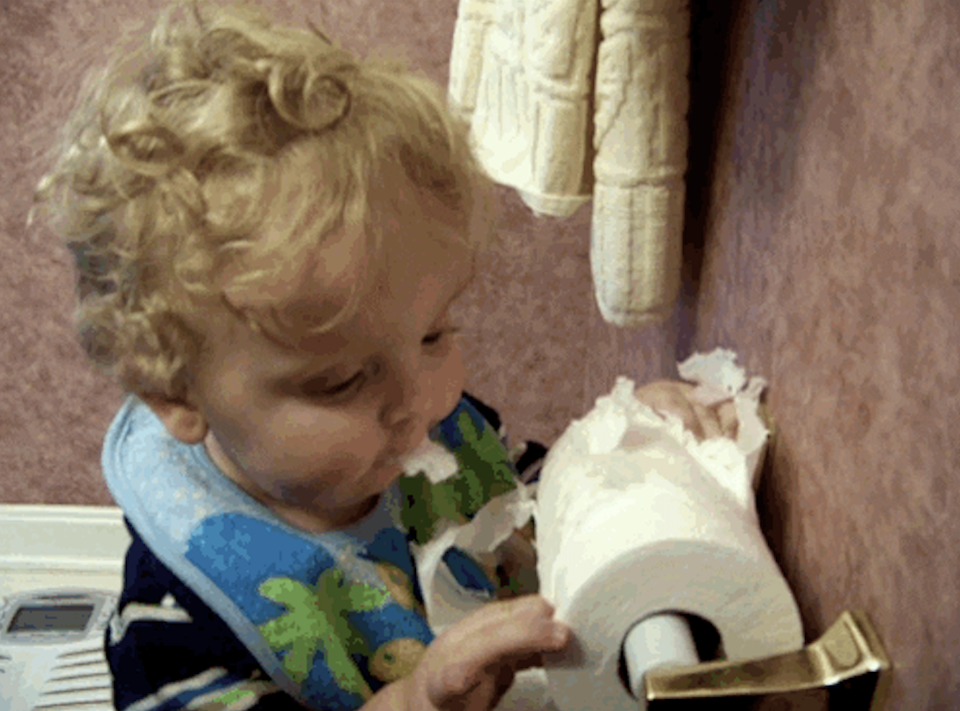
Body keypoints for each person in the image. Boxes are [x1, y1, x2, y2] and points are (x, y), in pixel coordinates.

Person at [30, 2, 736, 709]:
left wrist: (622, 442)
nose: (420, 405)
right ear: (179, 397)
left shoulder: (435, 430)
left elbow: (531, 501)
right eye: (339, 381)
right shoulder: (179, 615)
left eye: (433, 335)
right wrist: (414, 701)